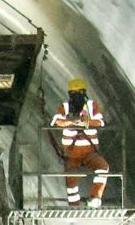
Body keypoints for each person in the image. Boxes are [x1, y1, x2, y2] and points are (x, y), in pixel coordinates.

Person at [48, 76, 111, 205]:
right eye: (74, 94)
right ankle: (74, 205)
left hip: (90, 153)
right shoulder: (64, 107)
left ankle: (95, 197)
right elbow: (56, 122)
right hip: (72, 154)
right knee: (71, 178)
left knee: (103, 167)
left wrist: (86, 122)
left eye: (79, 93)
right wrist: (71, 122)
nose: (77, 96)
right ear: (70, 94)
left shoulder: (91, 107)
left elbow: (100, 122)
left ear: (84, 93)